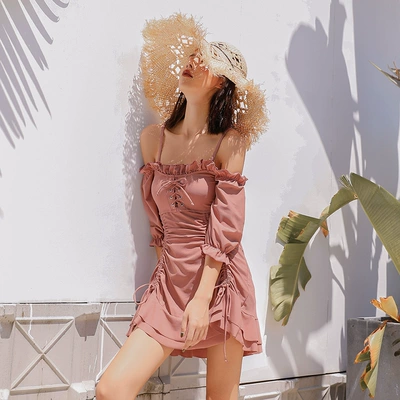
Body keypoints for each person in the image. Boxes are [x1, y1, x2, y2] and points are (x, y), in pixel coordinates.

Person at [96, 13, 268, 400]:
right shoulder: (152, 139)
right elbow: (157, 226)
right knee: (111, 389)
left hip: (219, 282)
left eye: (203, 61)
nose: (191, 62)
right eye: (191, 56)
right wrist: (166, 280)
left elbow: (227, 226)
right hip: (169, 280)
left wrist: (202, 298)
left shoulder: (230, 143)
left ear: (221, 82)